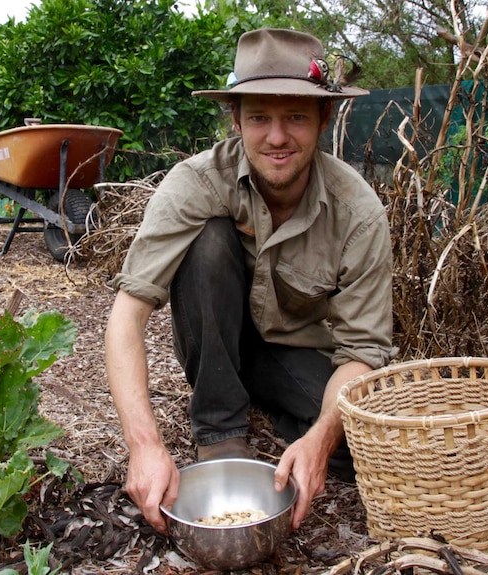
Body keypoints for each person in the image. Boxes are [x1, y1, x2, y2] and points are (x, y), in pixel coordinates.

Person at [104, 28, 395, 534]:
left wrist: (322, 438)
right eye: (259, 116)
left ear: (324, 118)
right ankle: (220, 428)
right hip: (214, 336)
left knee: (363, 447)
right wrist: (144, 445)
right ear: (236, 119)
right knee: (210, 240)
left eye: (296, 117)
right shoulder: (196, 183)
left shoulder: (359, 213)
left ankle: (281, 413)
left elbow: (361, 354)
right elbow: (126, 318)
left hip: (294, 351)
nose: (277, 137)